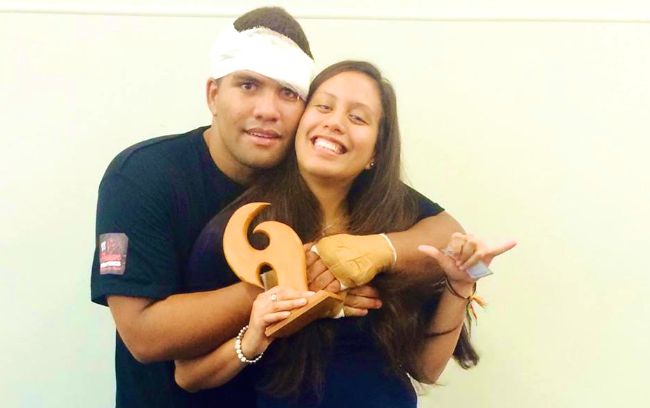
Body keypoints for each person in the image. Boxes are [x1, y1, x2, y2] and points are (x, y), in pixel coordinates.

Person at [90, 7, 463, 408]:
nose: (268, 110)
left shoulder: (320, 168)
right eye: (248, 85)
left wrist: (377, 251)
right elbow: (144, 337)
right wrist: (290, 281)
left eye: (288, 92)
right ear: (213, 94)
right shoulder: (143, 177)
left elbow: (447, 232)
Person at [174, 61, 516, 407]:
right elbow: (188, 376)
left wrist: (460, 284)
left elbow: (426, 369)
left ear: (376, 152)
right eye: (323, 107)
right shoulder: (242, 232)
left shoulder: (399, 221)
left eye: (357, 118)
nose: (335, 123)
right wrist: (255, 338)